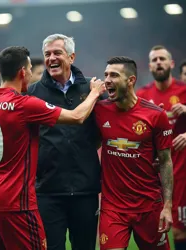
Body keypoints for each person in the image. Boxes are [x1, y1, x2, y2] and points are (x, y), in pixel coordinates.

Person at [0, 46, 105, 250]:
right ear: (22, 71)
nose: (32, 73)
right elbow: (77, 117)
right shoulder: (24, 105)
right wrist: (94, 94)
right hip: (16, 203)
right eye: (30, 68)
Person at [27, 33, 105, 250]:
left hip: (85, 191)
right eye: (47, 54)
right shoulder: (32, 93)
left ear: (71, 57)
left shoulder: (90, 89)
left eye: (57, 53)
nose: (51, 58)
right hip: (48, 192)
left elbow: (109, 127)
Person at [94, 56, 173, 250]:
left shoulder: (155, 115)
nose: (107, 80)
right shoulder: (99, 110)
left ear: (131, 80)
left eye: (114, 75)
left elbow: (165, 161)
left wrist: (168, 206)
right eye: (106, 75)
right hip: (113, 207)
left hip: (149, 206)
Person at [136, 45, 186, 250]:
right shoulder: (142, 95)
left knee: (180, 229)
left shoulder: (184, 91)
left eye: (162, 59)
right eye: (154, 59)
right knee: (160, 229)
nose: (158, 62)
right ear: (149, 66)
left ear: (171, 63)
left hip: (182, 170)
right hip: (155, 174)